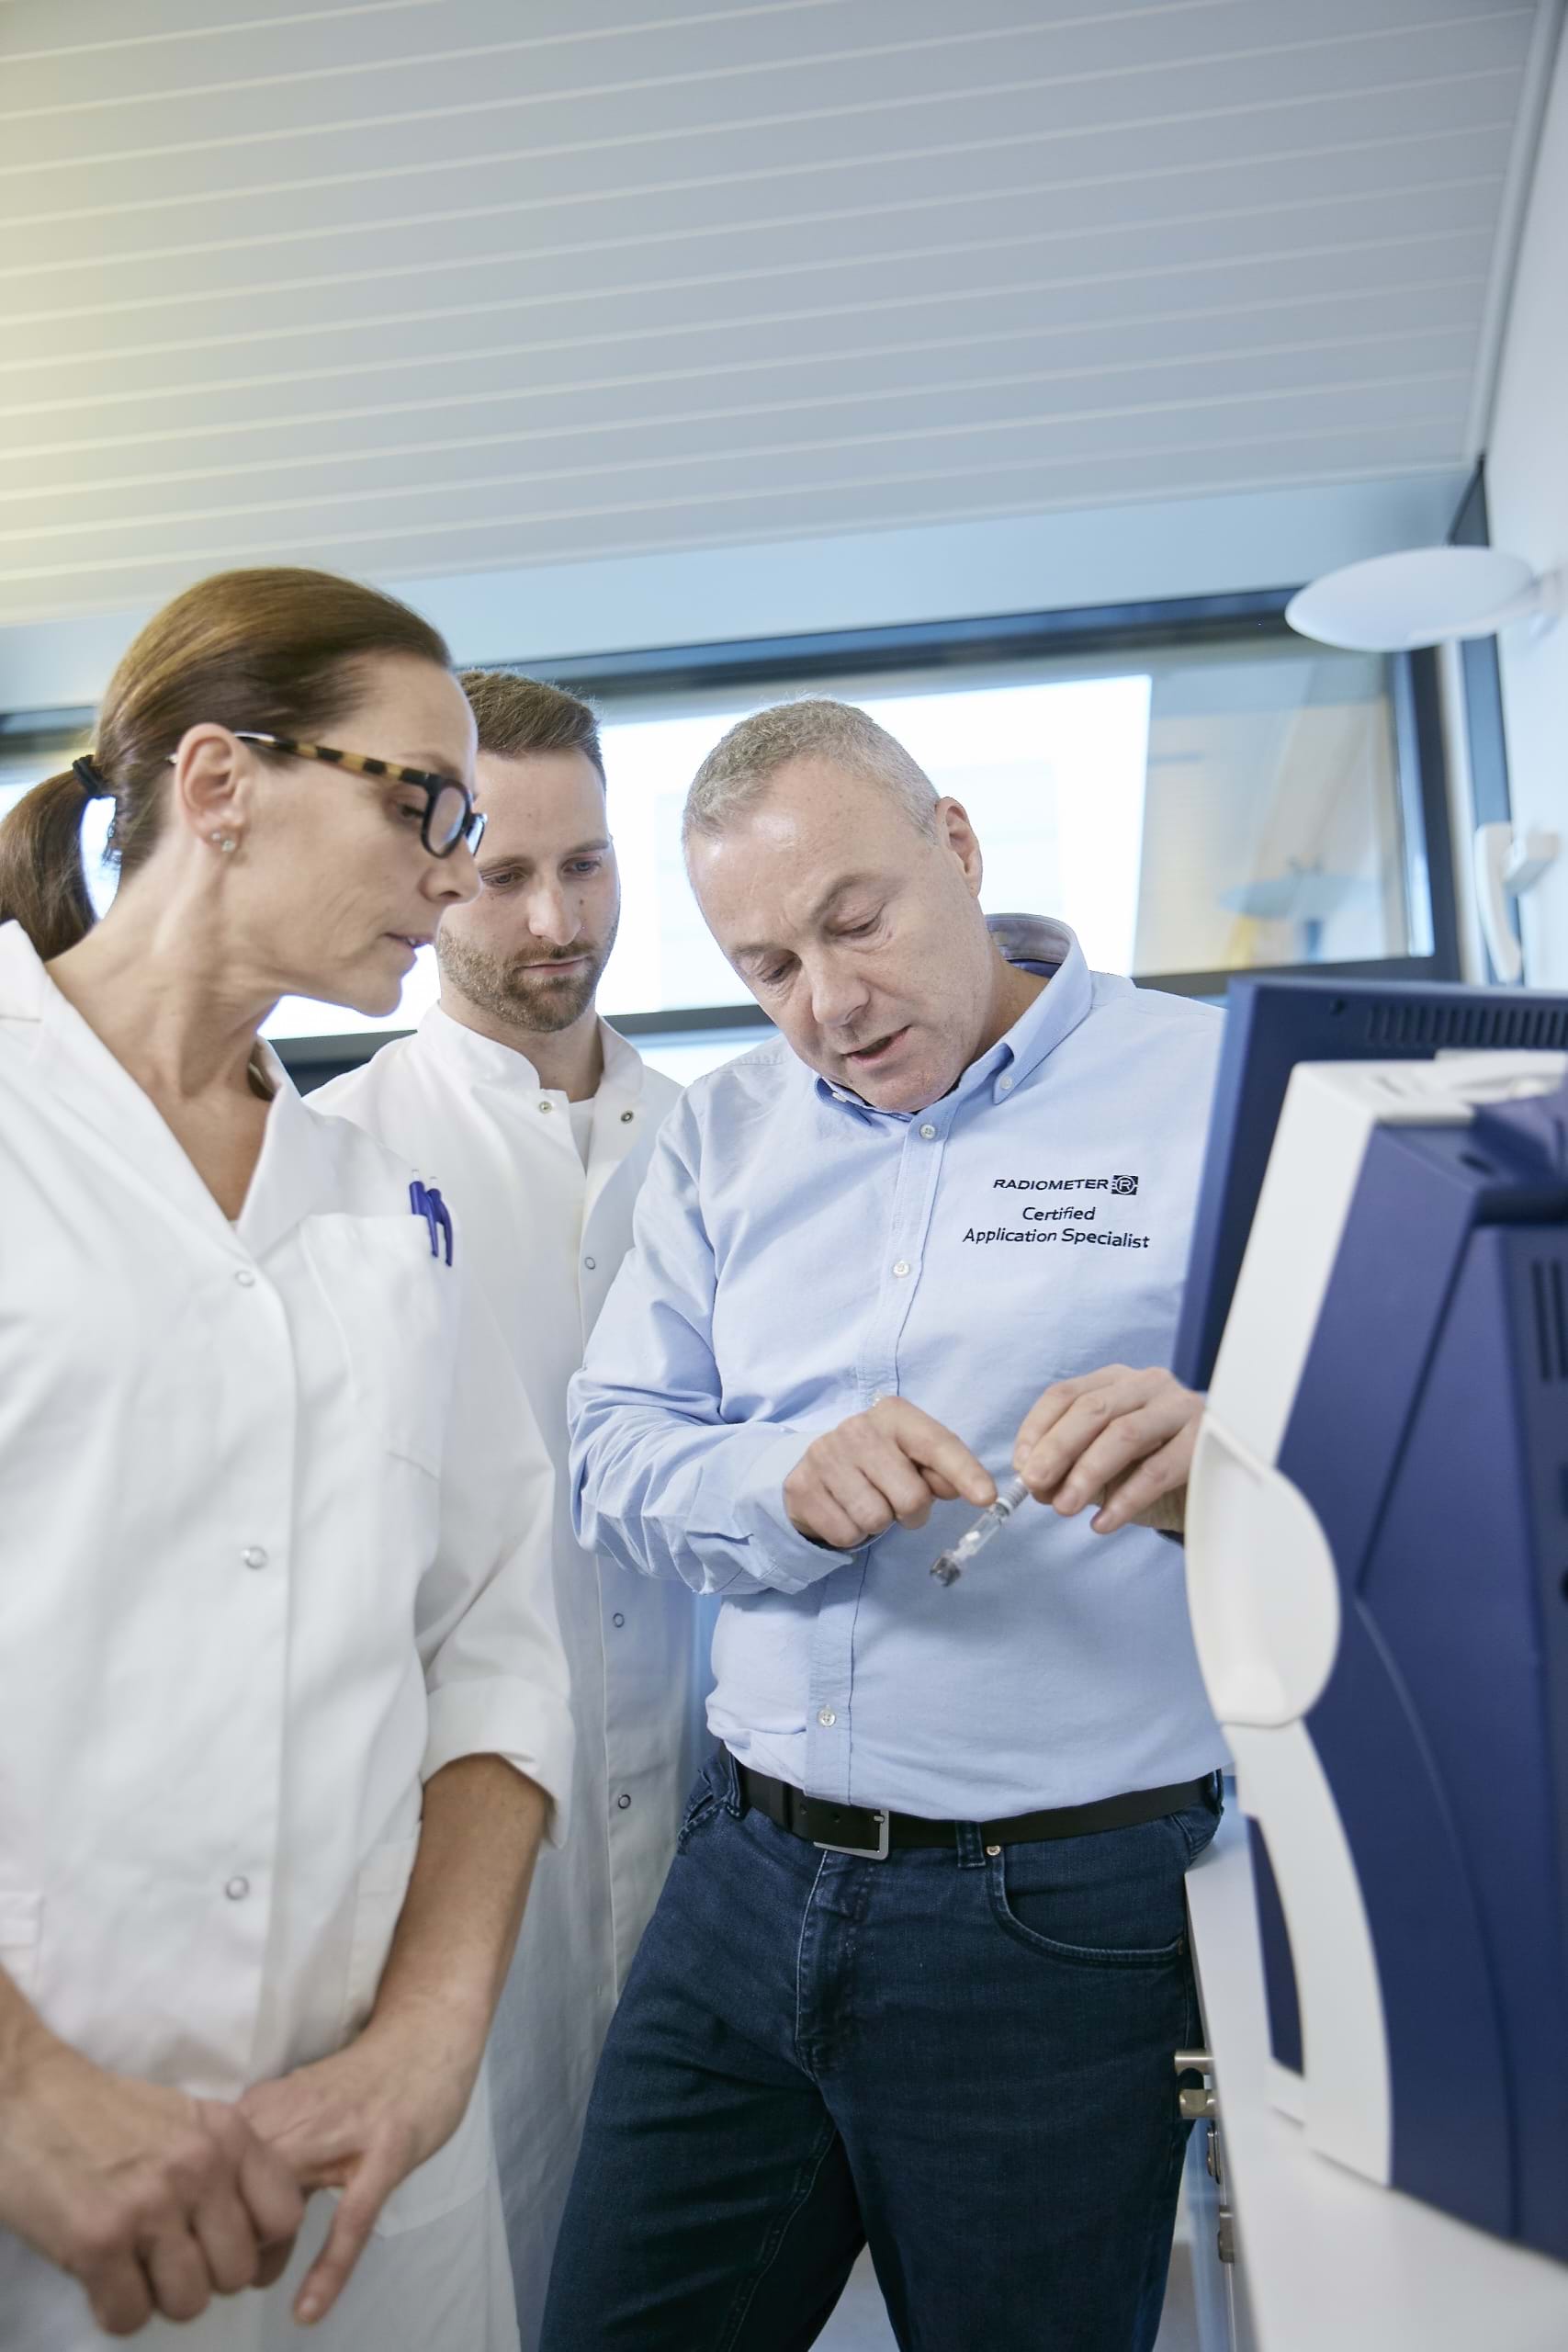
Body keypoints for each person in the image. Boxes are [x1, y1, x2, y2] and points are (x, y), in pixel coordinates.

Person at [544, 697, 1226, 2352]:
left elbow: (1409, 1463)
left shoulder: (1214, 1092)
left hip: (1060, 1921)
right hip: (740, 1878)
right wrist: (777, 1487)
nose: (831, 1007)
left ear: (961, 850)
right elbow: (612, 1451)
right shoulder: (720, 1135)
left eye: (856, 923)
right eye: (770, 968)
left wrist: (1231, 1466)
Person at [0, 568, 573, 2352]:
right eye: (425, 803)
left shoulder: (380, 1208)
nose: (459, 873)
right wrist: (20, 2090)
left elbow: (491, 1641)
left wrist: (432, 2034)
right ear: (219, 782)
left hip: (367, 2185)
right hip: (50, 2184)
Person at [316, 670, 709, 2348]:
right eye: (505, 876)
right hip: (457, 1840)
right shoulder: (330, 1164)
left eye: (590, 866)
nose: (558, 922)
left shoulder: (722, 1142)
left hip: (710, 1817)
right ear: (435, 871)